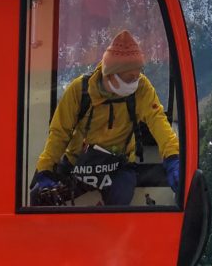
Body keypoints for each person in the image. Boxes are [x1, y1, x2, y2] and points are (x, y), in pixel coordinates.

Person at [30, 29, 180, 206]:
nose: (136, 80)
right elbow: (59, 133)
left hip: (118, 165)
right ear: (111, 75)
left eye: (138, 74)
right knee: (40, 197)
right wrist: (45, 170)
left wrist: (173, 157)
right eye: (130, 77)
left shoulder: (142, 89)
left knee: (122, 193)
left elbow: (158, 122)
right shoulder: (80, 91)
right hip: (78, 164)